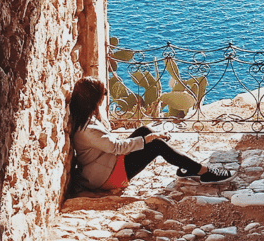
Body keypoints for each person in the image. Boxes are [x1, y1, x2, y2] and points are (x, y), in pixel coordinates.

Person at [69, 76, 233, 190]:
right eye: (102, 93)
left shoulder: (85, 119)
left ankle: (188, 167)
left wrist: (145, 137)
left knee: (144, 130)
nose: (104, 96)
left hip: (106, 165)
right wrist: (147, 140)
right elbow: (117, 147)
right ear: (92, 99)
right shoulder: (88, 129)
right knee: (156, 145)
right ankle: (203, 172)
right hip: (108, 176)